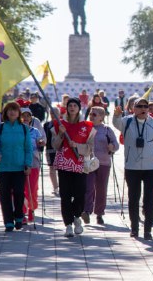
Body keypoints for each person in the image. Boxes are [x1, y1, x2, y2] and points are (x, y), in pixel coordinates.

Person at [113, 98, 153, 239]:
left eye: (145, 106)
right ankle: (134, 228)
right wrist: (117, 114)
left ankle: (147, 230)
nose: (142, 109)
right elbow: (116, 123)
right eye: (139, 106)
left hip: (150, 166)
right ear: (133, 108)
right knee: (133, 198)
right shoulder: (127, 121)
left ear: (148, 109)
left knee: (149, 199)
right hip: (132, 166)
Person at [52, 97, 96, 238]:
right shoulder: (60, 124)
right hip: (64, 164)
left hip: (80, 165)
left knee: (80, 194)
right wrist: (60, 133)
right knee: (65, 195)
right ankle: (68, 224)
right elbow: (55, 145)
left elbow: (89, 149)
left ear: (79, 108)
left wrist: (78, 146)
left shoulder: (87, 126)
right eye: (70, 105)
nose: (72, 108)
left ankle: (77, 216)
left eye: (75, 106)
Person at [0, 102, 33, 232]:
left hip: (20, 167)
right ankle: (8, 221)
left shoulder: (24, 128)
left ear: (18, 112)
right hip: (4, 167)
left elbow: (28, 148)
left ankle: (19, 216)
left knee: (19, 193)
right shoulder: (0, 127)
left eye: (14, 110)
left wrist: (28, 163)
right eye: (9, 110)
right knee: (5, 195)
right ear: (5, 113)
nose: (12, 112)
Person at [82, 106, 119, 225]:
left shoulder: (107, 130)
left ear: (102, 117)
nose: (91, 116)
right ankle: (86, 211)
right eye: (91, 114)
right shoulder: (85, 128)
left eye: (94, 114)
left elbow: (116, 144)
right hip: (88, 162)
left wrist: (112, 147)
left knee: (101, 189)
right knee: (88, 188)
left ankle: (99, 213)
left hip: (103, 163)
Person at [20, 108, 45, 224]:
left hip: (34, 163)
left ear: (31, 118)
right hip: (19, 163)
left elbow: (41, 143)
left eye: (28, 116)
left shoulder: (35, 131)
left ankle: (32, 209)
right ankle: (22, 212)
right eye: (23, 116)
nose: (25, 118)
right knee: (20, 190)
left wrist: (41, 144)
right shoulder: (17, 131)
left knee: (32, 189)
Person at [43, 119, 59, 197]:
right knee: (52, 169)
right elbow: (44, 136)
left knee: (60, 169)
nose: (53, 114)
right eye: (52, 112)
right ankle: (55, 187)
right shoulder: (47, 124)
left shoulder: (61, 123)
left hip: (59, 150)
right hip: (49, 149)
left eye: (55, 113)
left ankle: (61, 187)